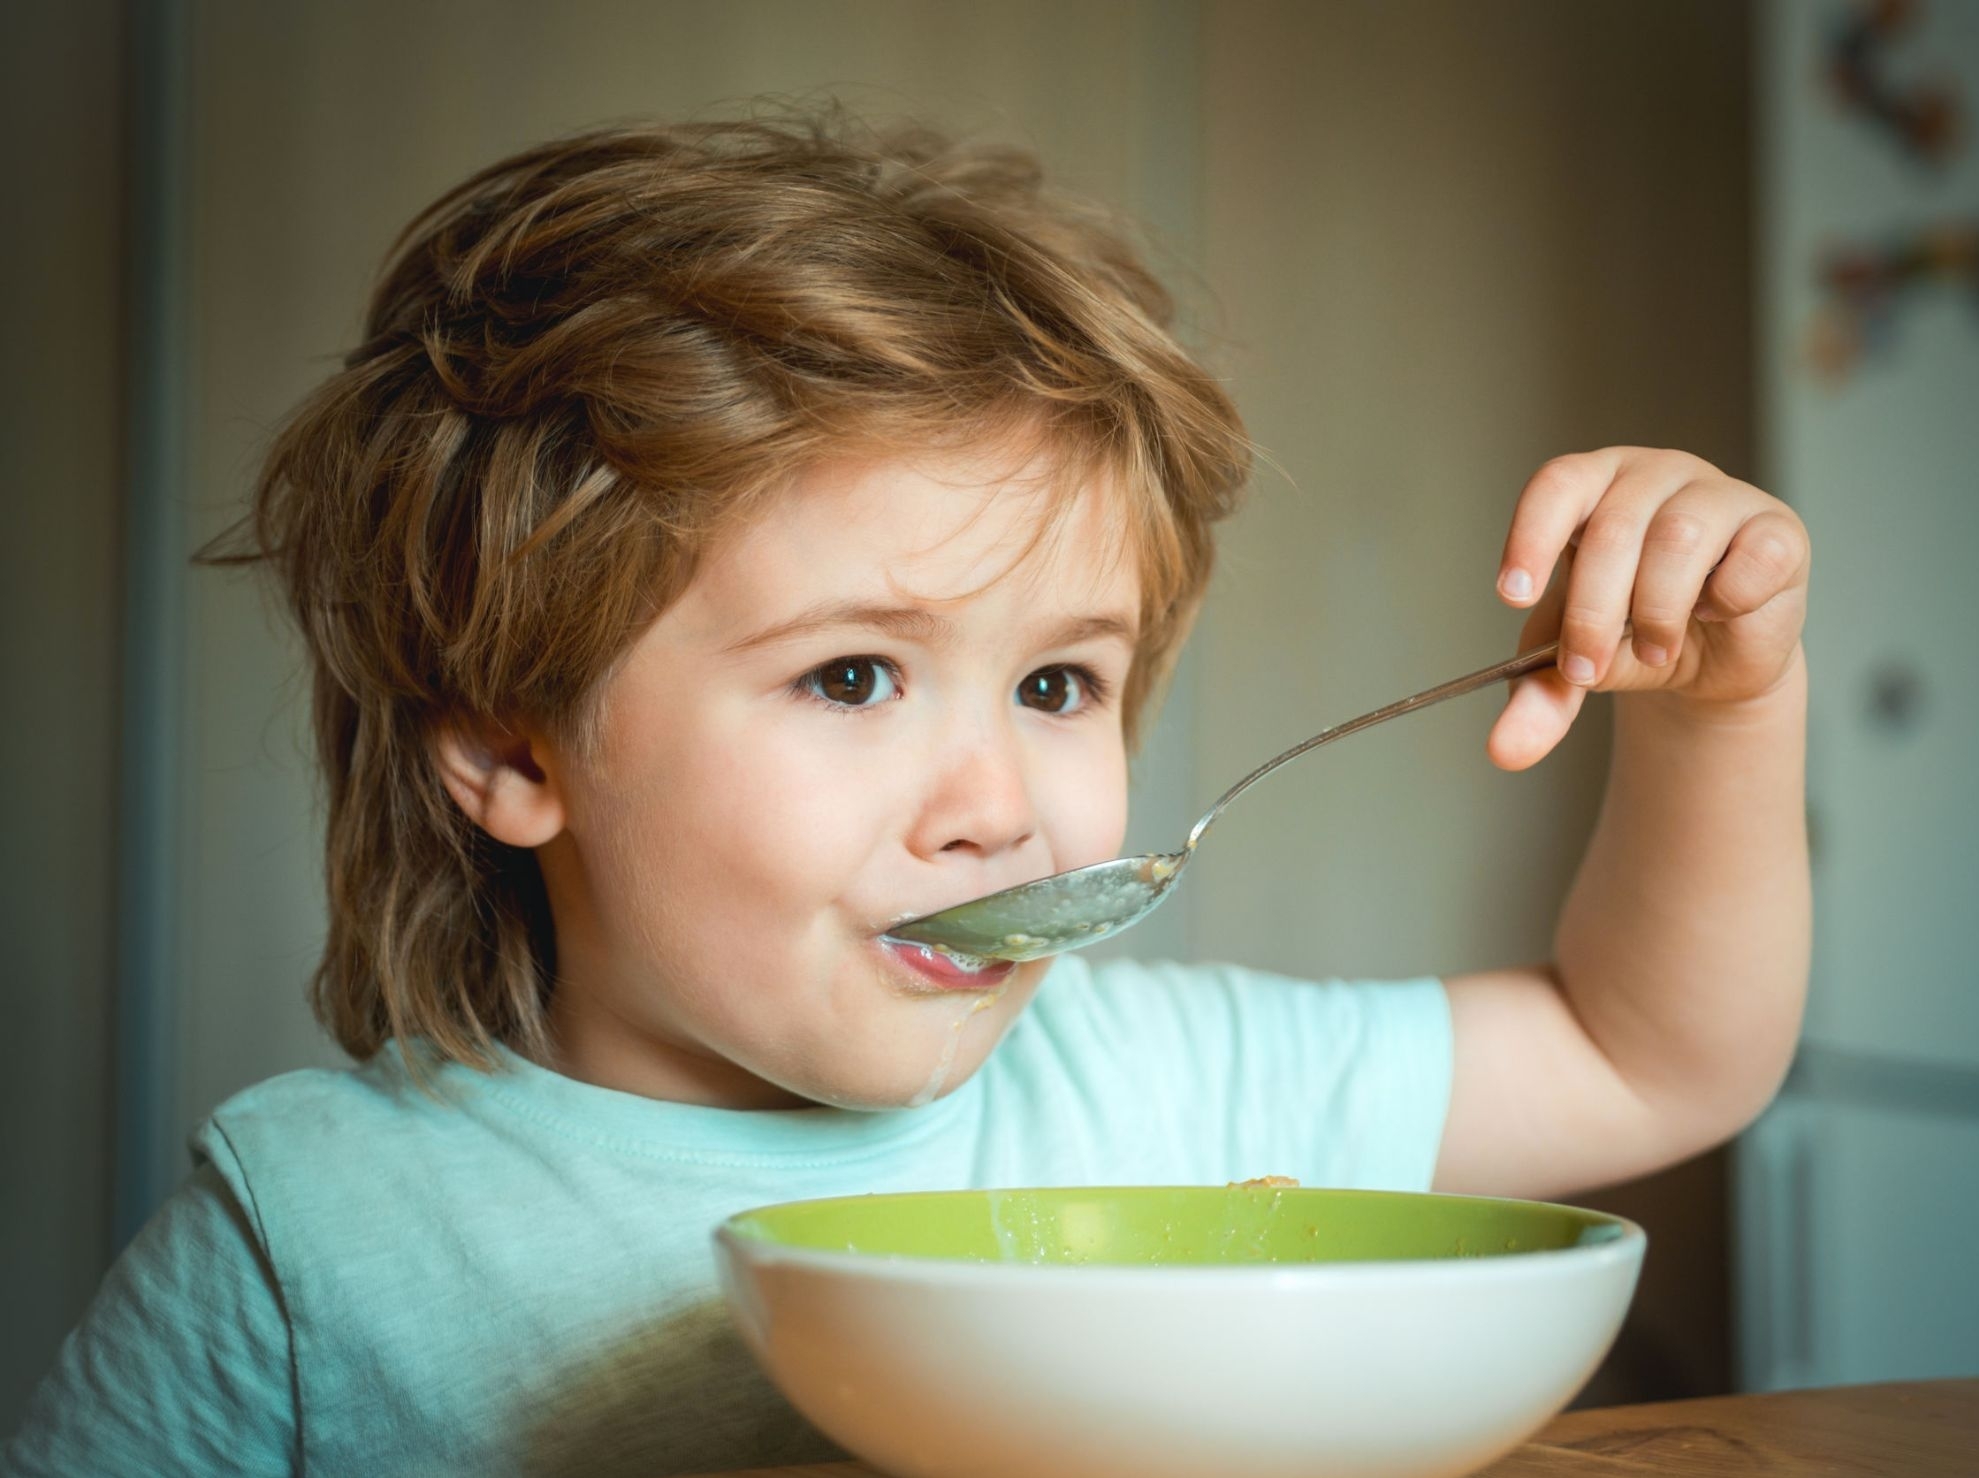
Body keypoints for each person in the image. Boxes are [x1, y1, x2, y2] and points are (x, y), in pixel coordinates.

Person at [4, 111, 1810, 1477]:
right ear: (512, 749)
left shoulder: (1162, 1094)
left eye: (1057, 683)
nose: (995, 801)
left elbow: (1644, 1051)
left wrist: (1720, 714)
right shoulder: (314, 1238)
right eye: (852, 674)